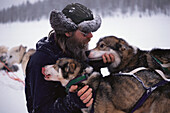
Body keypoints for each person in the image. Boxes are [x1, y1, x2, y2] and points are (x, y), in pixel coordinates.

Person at [25, 3, 114, 113]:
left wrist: (95, 67)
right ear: (68, 32)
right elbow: (40, 110)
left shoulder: (76, 49)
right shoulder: (41, 61)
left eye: (91, 31)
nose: (91, 36)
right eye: (85, 32)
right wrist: (72, 102)